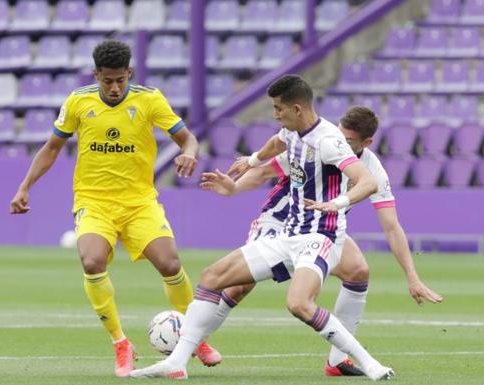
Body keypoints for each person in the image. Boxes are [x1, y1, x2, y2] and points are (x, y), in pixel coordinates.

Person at [130, 74, 394, 380]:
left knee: (298, 303)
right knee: (212, 276)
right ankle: (176, 362)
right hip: (288, 233)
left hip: (320, 236)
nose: (275, 114)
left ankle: (370, 363)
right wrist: (253, 160)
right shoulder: (294, 130)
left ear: (297, 108)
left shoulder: (328, 142)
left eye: (278, 108)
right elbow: (277, 141)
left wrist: (337, 203)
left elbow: (368, 181)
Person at [8, 40, 220, 377]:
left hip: (139, 203)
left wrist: (190, 153)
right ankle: (121, 344)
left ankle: (194, 339)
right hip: (93, 202)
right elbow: (51, 148)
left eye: (120, 79)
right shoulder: (79, 101)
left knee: (169, 263)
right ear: (96, 75)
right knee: (91, 261)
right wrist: (24, 187)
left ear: (129, 73)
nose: (114, 87)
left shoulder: (149, 99)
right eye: (107, 80)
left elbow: (187, 138)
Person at [200, 106, 443, 377]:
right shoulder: (316, 145)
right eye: (340, 133)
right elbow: (262, 172)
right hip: (279, 220)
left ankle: (337, 361)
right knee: (239, 286)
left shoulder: (373, 170)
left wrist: (412, 277)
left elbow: (391, 226)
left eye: (349, 140)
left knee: (358, 271)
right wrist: (236, 185)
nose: (340, 141)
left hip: (320, 228)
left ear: (367, 143)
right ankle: (193, 337)